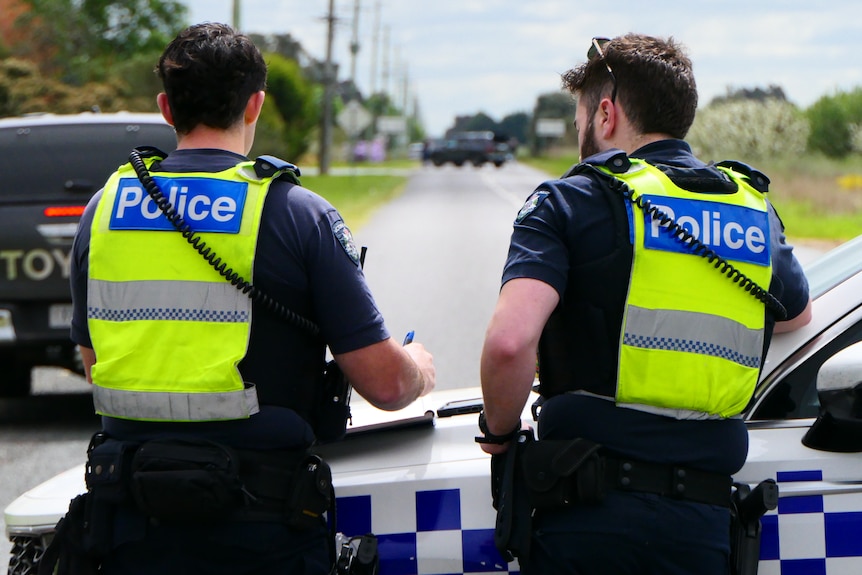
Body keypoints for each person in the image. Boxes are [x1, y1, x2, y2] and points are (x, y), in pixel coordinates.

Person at [65, 22, 435, 575]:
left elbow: (98, 367)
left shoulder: (104, 211)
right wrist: (420, 371)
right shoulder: (296, 213)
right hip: (261, 524)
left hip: (130, 525)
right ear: (255, 104)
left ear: (167, 108)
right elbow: (384, 385)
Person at [478, 33, 812, 574]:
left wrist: (497, 433)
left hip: (588, 515)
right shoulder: (751, 210)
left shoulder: (572, 199)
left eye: (581, 117)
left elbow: (511, 342)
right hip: (703, 528)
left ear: (605, 115)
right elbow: (796, 314)